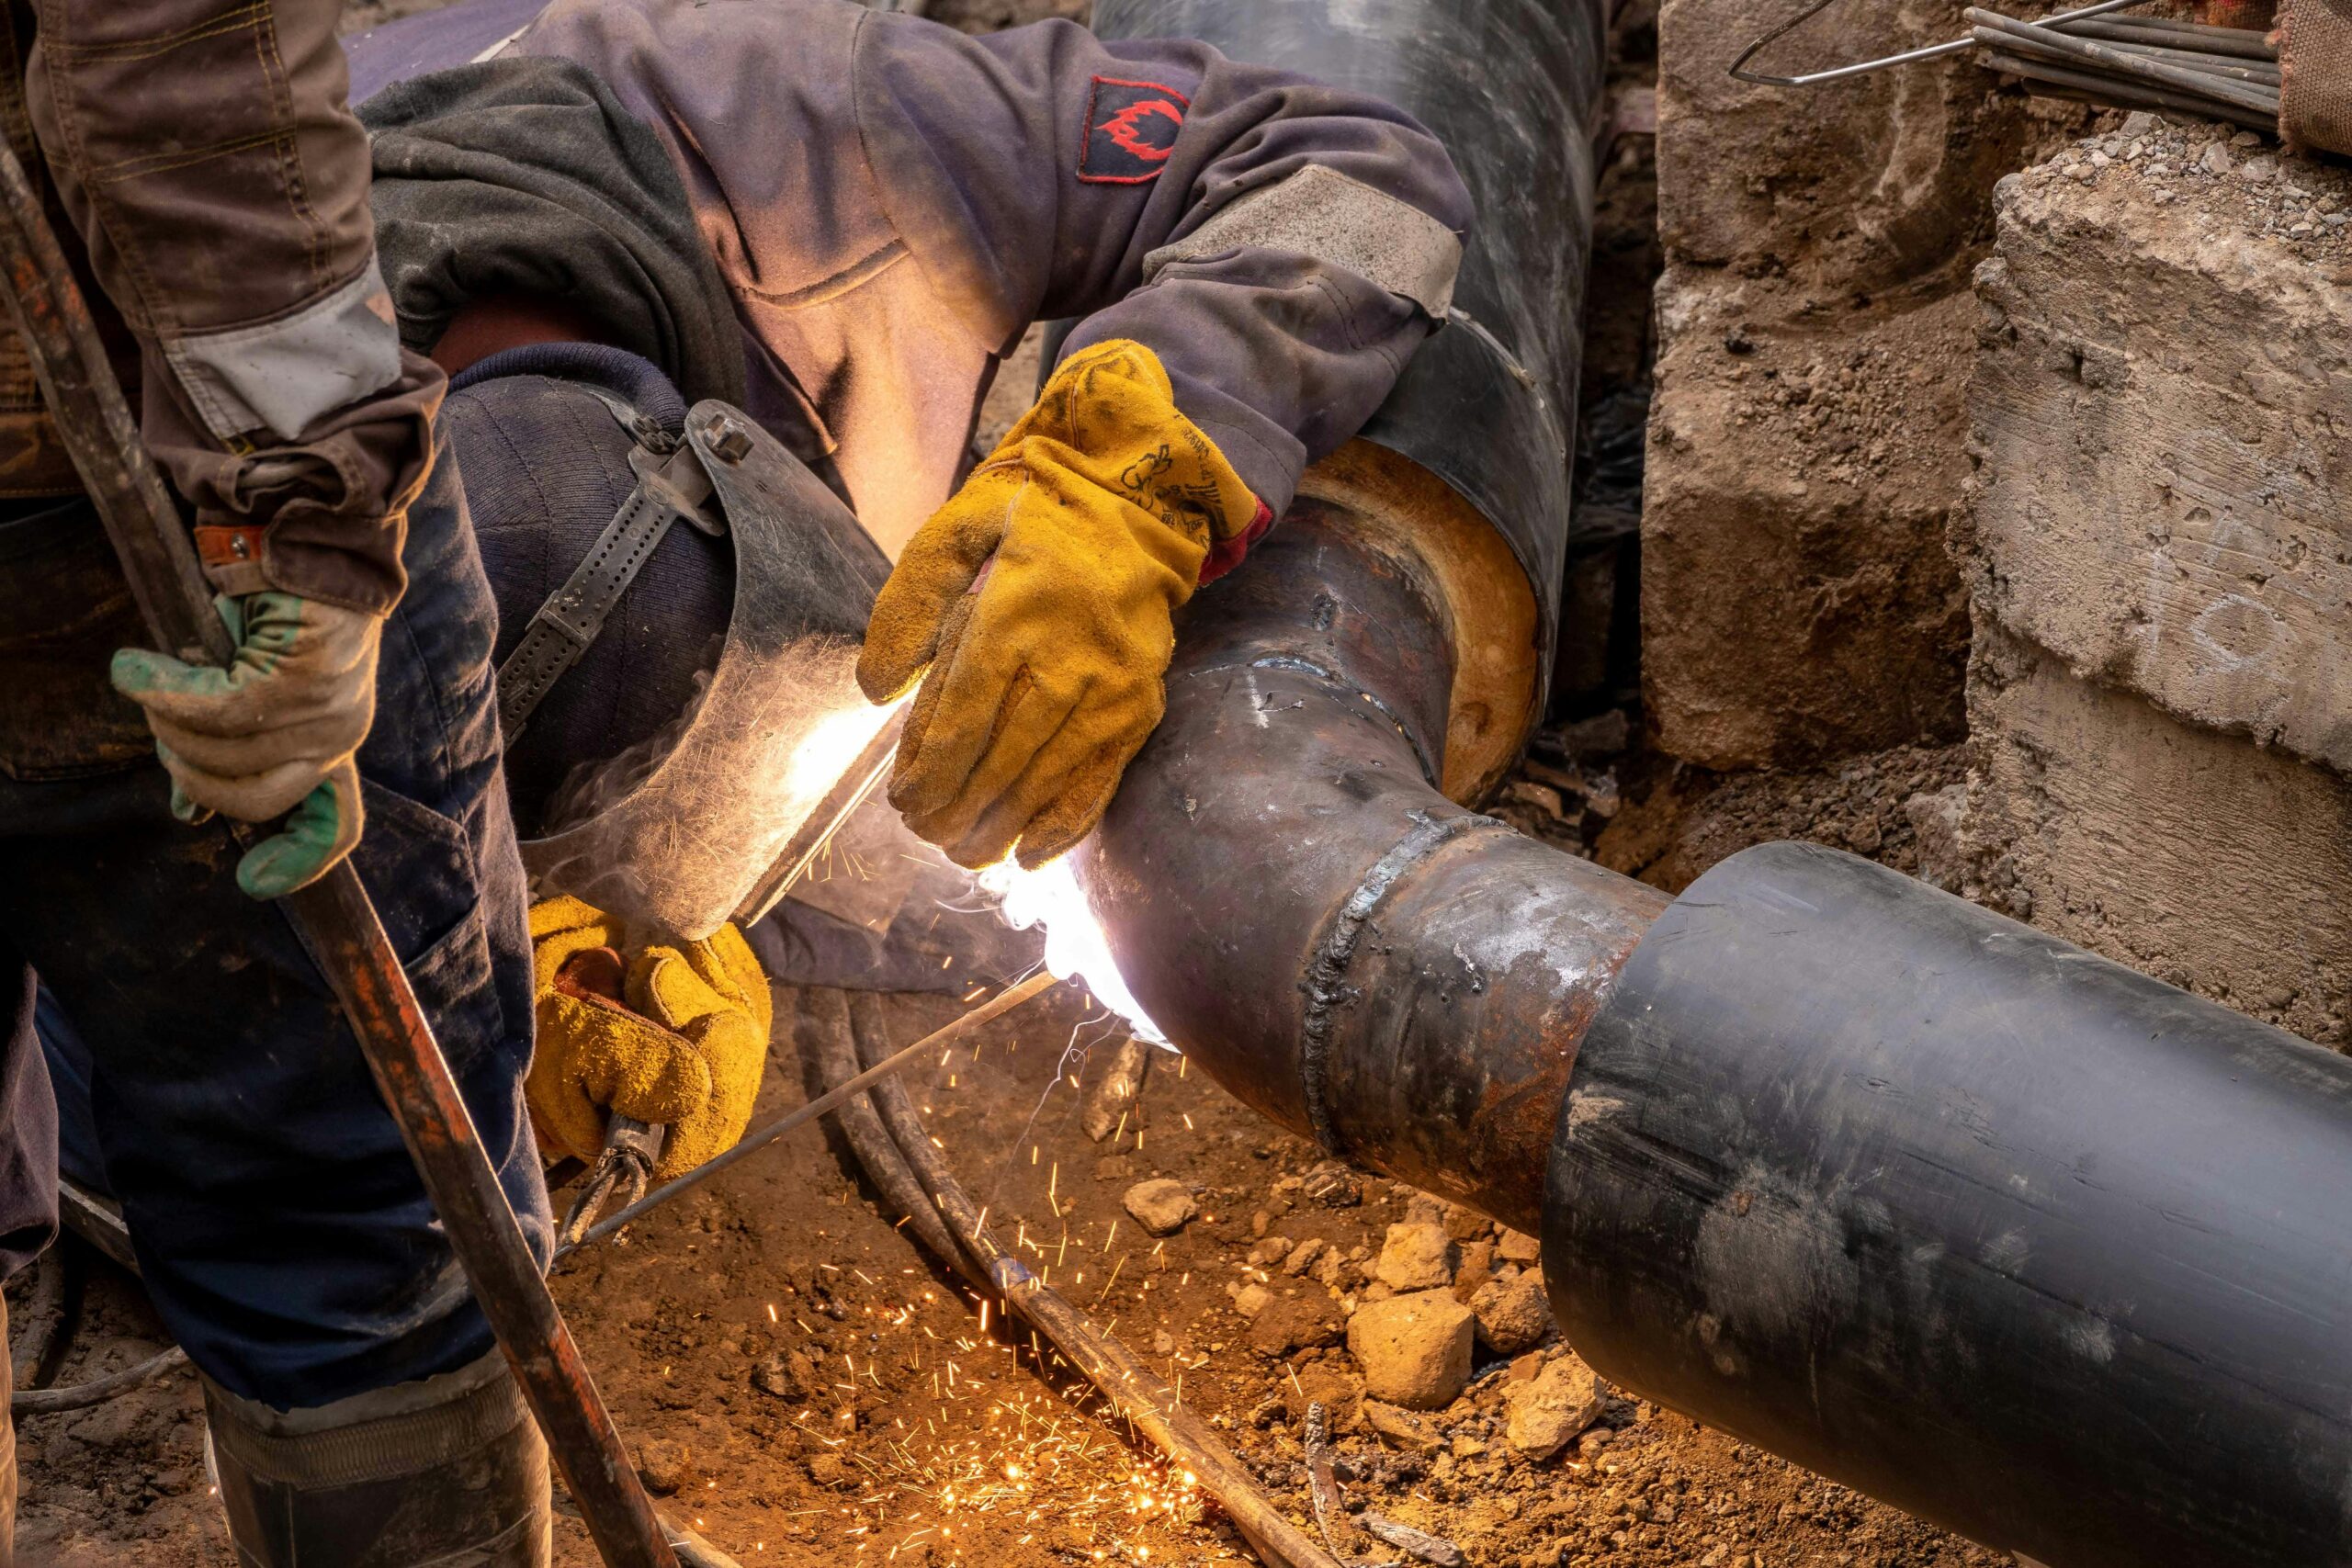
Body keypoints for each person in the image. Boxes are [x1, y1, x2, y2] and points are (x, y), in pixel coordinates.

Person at [13, 0, 1474, 1559]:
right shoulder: (212, 490)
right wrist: (508, 971)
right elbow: (145, 994)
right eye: (513, 841)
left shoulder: (827, 130)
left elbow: (1363, 174)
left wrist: (1142, 470)